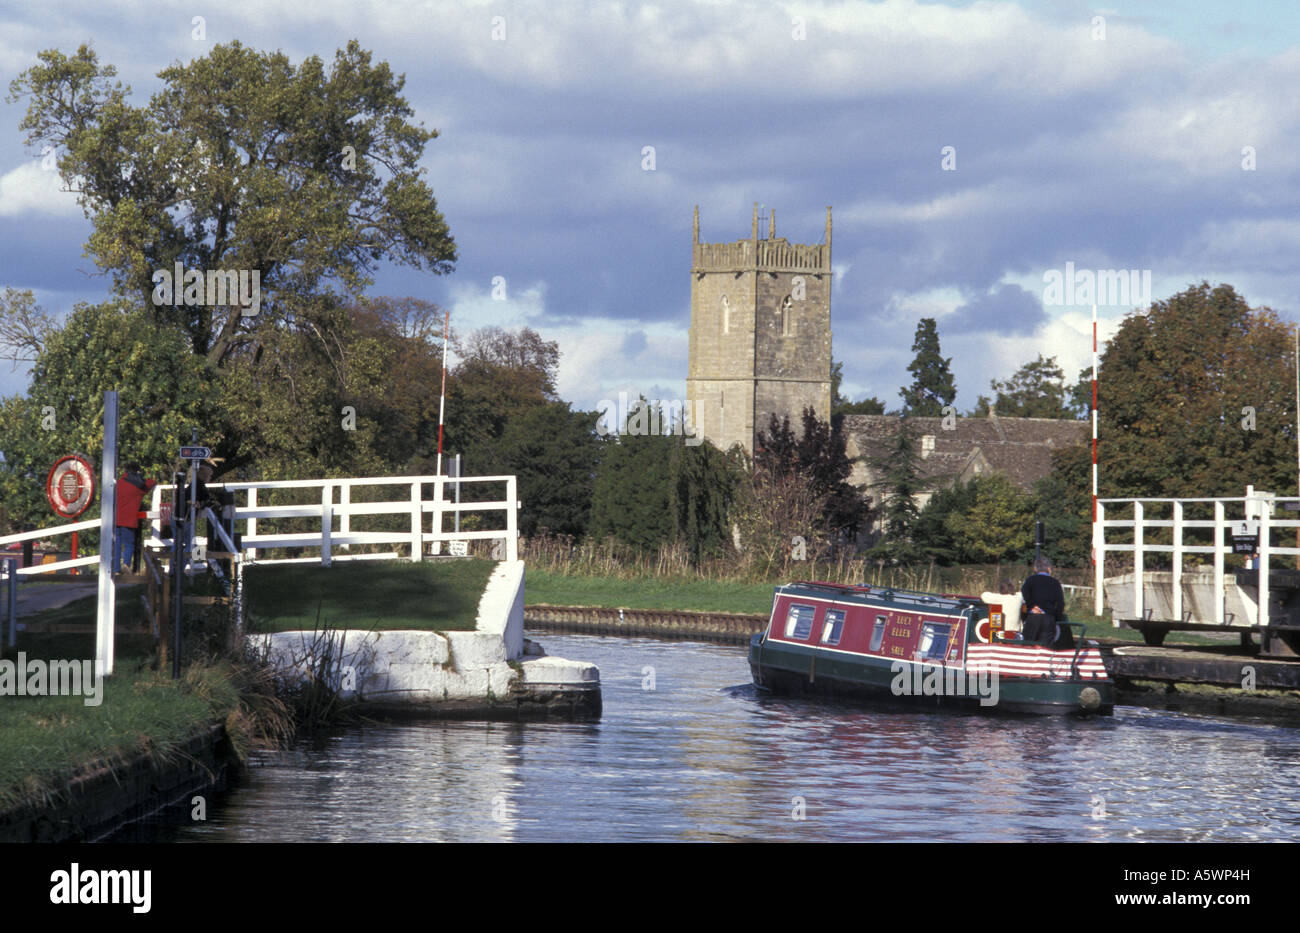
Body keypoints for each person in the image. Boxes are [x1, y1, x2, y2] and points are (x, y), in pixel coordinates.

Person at [113, 463, 156, 573]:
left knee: (117, 543)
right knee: (129, 544)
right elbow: (151, 483)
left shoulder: (118, 483)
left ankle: (116, 569)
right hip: (129, 520)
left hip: (116, 519)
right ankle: (126, 565)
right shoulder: (138, 487)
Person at [1021, 556, 1065, 647]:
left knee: (1028, 644)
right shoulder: (1055, 583)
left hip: (1033, 616)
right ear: (1049, 568)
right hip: (1049, 618)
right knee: (1046, 647)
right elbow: (1060, 603)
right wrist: (1056, 617)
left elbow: (1025, 593)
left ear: (1035, 568)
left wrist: (1032, 606)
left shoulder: (1030, 580)